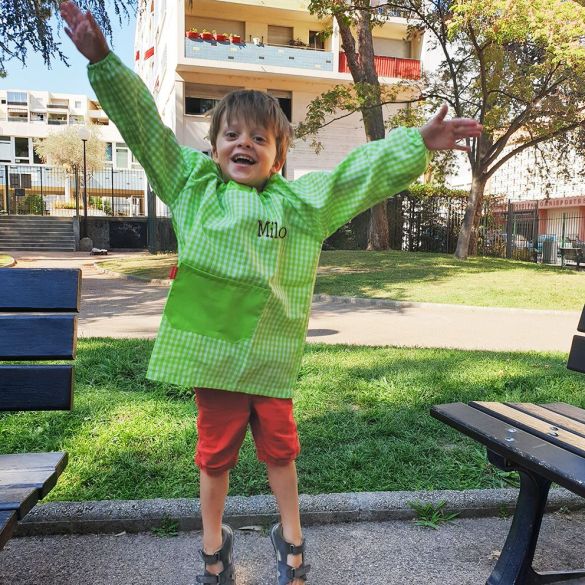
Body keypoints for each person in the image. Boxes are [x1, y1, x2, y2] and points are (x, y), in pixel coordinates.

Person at [60, 3, 482, 584]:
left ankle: (292, 535)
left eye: (260, 137)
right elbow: (145, 129)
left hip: (271, 363)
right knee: (213, 458)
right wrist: (104, 61)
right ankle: (214, 542)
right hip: (213, 358)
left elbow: (353, 176)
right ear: (212, 149)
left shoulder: (299, 206)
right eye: (231, 135)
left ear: (279, 157)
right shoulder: (189, 184)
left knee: (281, 455)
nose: (244, 143)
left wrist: (418, 143)